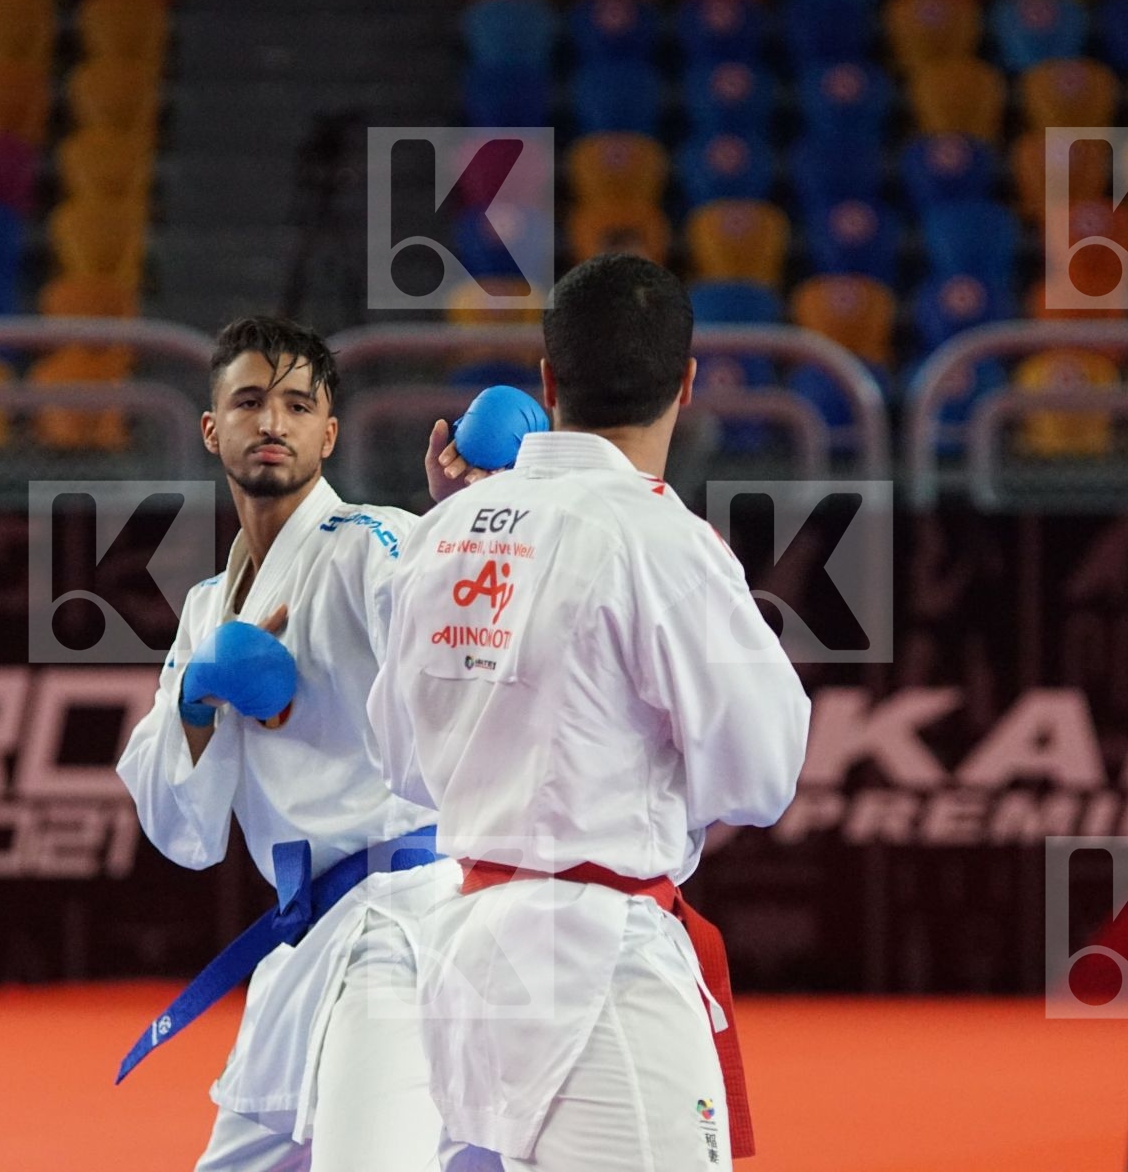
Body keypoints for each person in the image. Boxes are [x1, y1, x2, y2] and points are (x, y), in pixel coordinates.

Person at [366, 254, 813, 1171]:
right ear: (688, 385)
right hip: (599, 967)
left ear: (548, 379)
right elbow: (764, 776)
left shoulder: (442, 530)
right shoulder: (661, 541)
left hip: (466, 960)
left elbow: (402, 764)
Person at [116, 316, 464, 1172]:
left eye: (298, 406)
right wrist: (200, 697)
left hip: (399, 930)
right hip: (306, 940)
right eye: (249, 401)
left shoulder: (372, 543)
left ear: (328, 432)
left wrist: (457, 531)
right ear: (212, 428)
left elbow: (442, 630)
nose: (273, 423)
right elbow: (183, 835)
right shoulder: (206, 608)